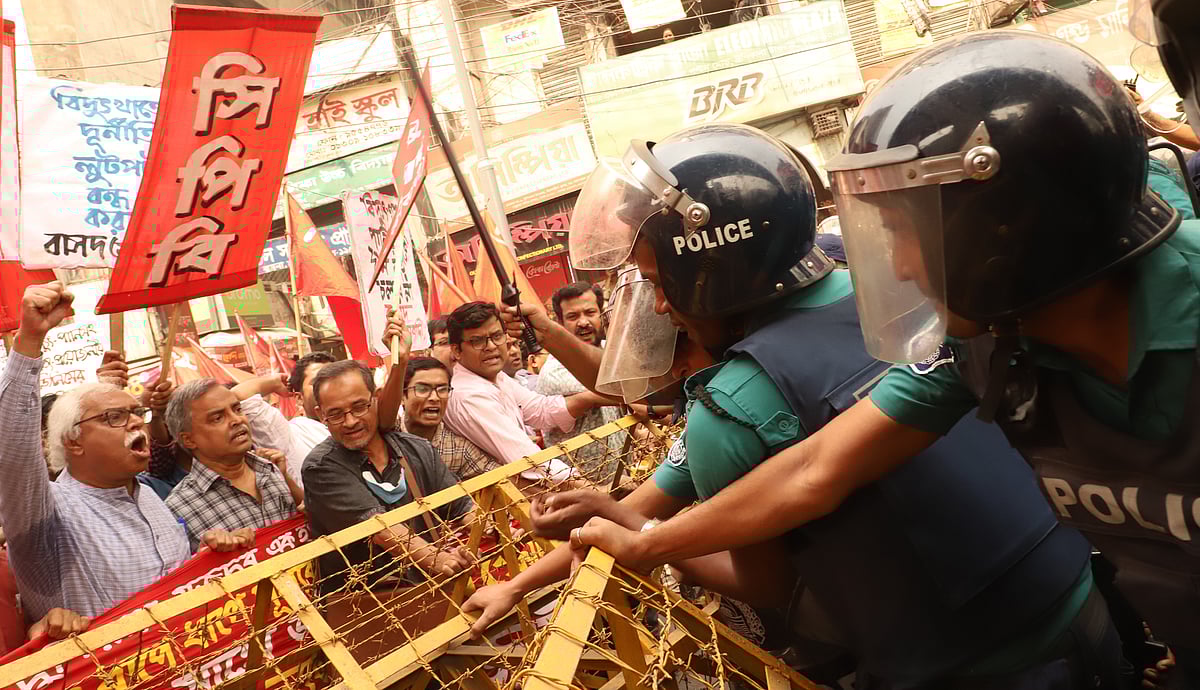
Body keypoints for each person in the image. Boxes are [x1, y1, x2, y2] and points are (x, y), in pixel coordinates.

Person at [474, 123, 1124, 688]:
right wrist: (522, 581)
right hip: (1085, 600)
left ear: (706, 266)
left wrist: (646, 543)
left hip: (978, 666)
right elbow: (643, 511)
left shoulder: (730, 403)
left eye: (656, 283)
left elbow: (768, 584)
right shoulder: (875, 291)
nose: (661, 307)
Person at [0, 282, 247, 621]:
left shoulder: (149, 496)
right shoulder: (47, 515)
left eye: (135, 412)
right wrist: (29, 341)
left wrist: (206, 555)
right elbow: (14, 454)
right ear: (73, 440)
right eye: (114, 417)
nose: (134, 422)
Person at [302, 360, 474, 596]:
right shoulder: (321, 467)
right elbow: (381, 529)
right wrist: (440, 560)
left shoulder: (417, 449)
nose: (350, 421)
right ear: (321, 414)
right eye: (336, 414)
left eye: (359, 407)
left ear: (376, 399)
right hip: (370, 608)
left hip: (439, 590)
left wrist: (495, 530)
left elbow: (462, 507)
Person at [440, 302, 607, 482]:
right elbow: (527, 458)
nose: (491, 346)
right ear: (457, 350)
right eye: (477, 341)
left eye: (497, 336)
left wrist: (596, 397)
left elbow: (541, 410)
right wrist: (588, 486)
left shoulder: (496, 378)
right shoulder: (469, 395)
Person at [164, 378, 303, 551]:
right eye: (217, 418)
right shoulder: (180, 508)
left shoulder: (271, 470)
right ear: (189, 439)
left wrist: (289, 482)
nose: (237, 420)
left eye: (237, 409)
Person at [537, 283, 624, 473]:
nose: (583, 322)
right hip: (585, 486)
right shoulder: (555, 371)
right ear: (559, 323)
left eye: (590, 312)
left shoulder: (612, 350)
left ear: (601, 314)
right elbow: (620, 391)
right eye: (573, 316)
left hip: (623, 477)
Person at [402, 356, 503, 481]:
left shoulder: (458, 448)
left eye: (442, 389)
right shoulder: (386, 436)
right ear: (402, 396)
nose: (435, 397)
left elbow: (500, 478)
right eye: (423, 389)